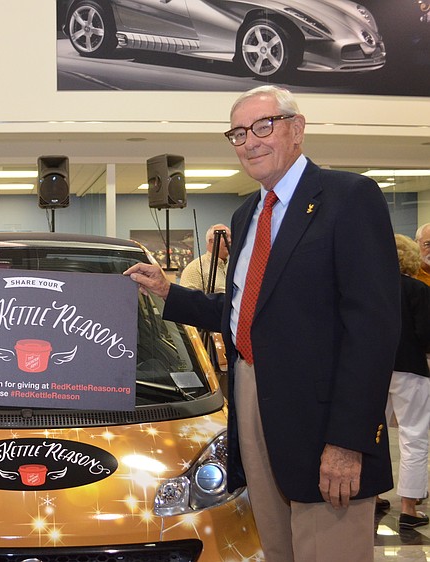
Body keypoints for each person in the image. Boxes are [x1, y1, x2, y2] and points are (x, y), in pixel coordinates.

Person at [124, 85, 400, 562]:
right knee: (277, 547)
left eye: (263, 126)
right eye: (238, 133)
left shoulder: (348, 197)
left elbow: (373, 330)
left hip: (322, 420)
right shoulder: (247, 212)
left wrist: (347, 442)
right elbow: (240, 312)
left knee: (329, 549)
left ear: (297, 128)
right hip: (251, 398)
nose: (249, 141)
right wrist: (168, 291)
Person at [385, 234, 430, 530]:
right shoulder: (418, 290)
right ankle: (408, 507)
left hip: (375, 370)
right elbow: (426, 334)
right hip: (411, 369)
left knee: (370, 434)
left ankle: (373, 495)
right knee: (414, 437)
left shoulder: (373, 289)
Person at [178, 223, 231, 292]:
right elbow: (187, 300)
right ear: (211, 241)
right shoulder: (195, 268)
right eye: (225, 236)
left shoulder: (233, 267)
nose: (229, 240)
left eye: (231, 237)